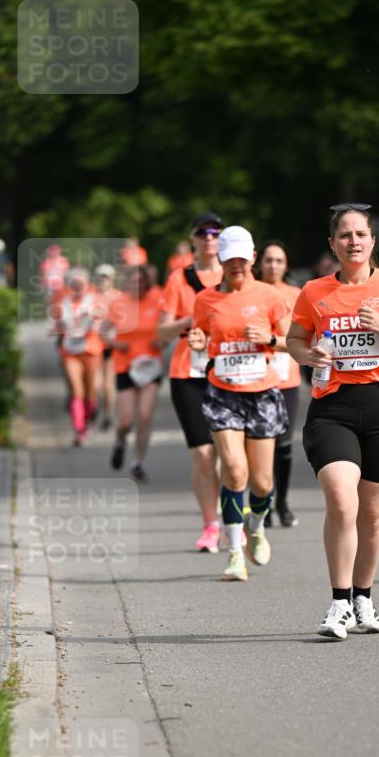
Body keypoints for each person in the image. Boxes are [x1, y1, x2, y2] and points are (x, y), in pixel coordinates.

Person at [286, 204, 379, 639]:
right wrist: (307, 354)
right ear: (332, 244)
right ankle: (339, 602)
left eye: (360, 234)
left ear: (372, 241)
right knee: (342, 501)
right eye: (344, 235)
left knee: (371, 515)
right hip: (333, 409)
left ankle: (363, 598)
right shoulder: (314, 292)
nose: (353, 241)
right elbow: (295, 337)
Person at [189, 226, 290, 582]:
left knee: (262, 483)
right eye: (228, 258)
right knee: (234, 471)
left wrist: (270, 338)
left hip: (262, 393)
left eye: (241, 258)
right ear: (220, 259)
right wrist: (198, 341)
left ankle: (256, 527)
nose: (235, 264)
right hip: (223, 392)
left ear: (252, 258)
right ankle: (234, 553)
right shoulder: (205, 300)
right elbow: (198, 336)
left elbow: (294, 340)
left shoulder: (269, 295)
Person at [159, 212, 224, 552]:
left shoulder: (235, 272)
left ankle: (236, 515)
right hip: (188, 373)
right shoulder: (179, 279)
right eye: (203, 233)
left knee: (228, 454)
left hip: (228, 371)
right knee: (202, 453)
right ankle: (210, 524)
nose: (210, 238)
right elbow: (161, 331)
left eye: (216, 232)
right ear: (194, 238)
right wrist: (192, 318)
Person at [101, 266, 164, 481]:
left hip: (150, 365)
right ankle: (120, 440)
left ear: (147, 283)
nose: (137, 286)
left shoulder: (157, 300)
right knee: (126, 421)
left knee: (145, 415)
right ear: (126, 284)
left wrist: (162, 340)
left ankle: (138, 462)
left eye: (141, 282)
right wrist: (115, 344)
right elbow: (103, 329)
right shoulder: (119, 303)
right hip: (125, 366)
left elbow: (168, 326)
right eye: (133, 282)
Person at [257, 240, 301, 527]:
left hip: (287, 377)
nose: (273, 265)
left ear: (286, 265)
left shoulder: (297, 294)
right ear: (260, 263)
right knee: (262, 442)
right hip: (256, 377)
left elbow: (304, 335)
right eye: (269, 260)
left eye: (279, 261)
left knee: (284, 443)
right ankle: (264, 501)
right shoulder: (252, 292)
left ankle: (282, 502)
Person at [48, 266, 102, 446]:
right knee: (77, 390)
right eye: (74, 283)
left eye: (81, 283)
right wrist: (56, 330)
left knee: (91, 390)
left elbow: (104, 317)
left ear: (87, 284)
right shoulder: (61, 302)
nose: (78, 286)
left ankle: (88, 418)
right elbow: (56, 325)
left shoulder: (94, 299)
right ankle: (79, 430)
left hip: (91, 349)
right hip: (70, 351)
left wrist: (96, 316)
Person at [93, 263, 120, 430]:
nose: (103, 280)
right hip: (94, 343)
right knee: (96, 384)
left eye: (107, 277)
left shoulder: (119, 297)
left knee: (108, 383)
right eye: (101, 276)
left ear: (112, 279)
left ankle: (108, 415)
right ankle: (95, 409)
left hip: (112, 343)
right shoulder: (91, 296)